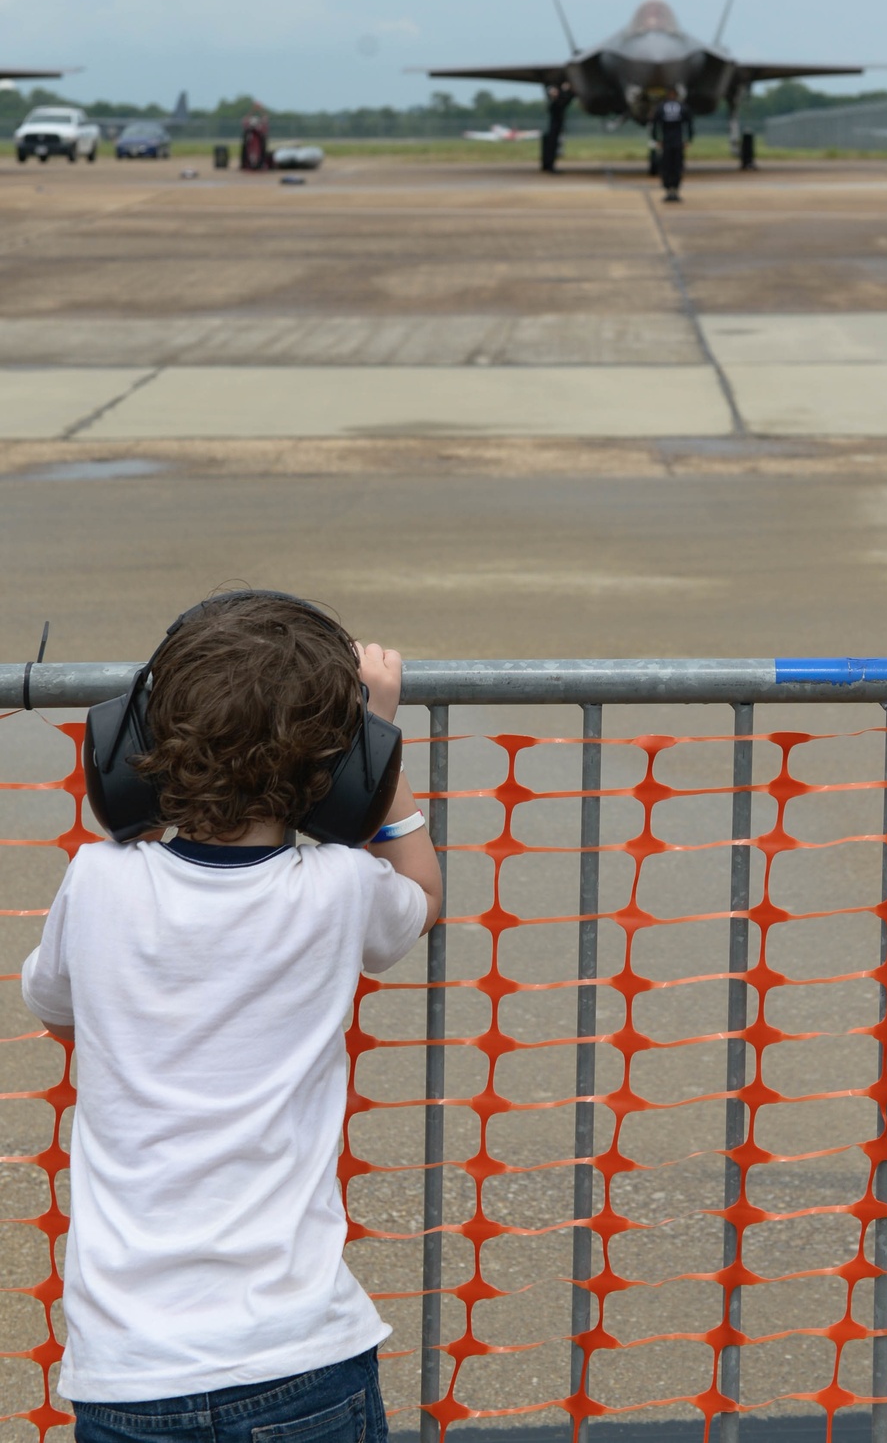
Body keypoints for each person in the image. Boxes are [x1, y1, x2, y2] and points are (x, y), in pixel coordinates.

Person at [20, 592, 443, 1443]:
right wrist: (383, 764)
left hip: (128, 1368)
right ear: (345, 767)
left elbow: (57, 1008)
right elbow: (423, 898)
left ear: (137, 739)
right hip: (300, 1354)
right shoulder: (341, 890)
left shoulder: (96, 882)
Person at [654, 86, 694, 203]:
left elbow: (655, 124)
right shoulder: (683, 107)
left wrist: (656, 139)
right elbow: (689, 124)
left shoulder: (661, 108)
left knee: (667, 167)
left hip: (667, 142)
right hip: (677, 142)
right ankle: (674, 190)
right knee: (676, 167)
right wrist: (689, 139)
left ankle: (669, 190)